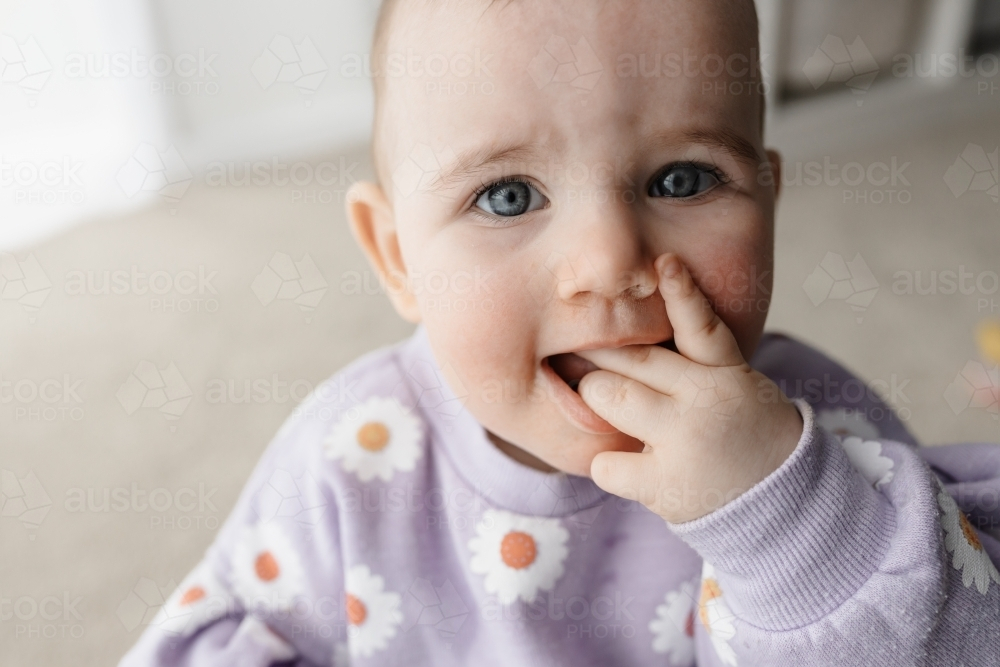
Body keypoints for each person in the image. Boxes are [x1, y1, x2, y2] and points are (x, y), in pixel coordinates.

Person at [120, 1, 1000, 664]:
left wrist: (789, 530)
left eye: (684, 178)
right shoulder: (352, 461)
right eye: (507, 196)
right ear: (396, 256)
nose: (610, 258)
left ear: (768, 198)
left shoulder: (816, 443)